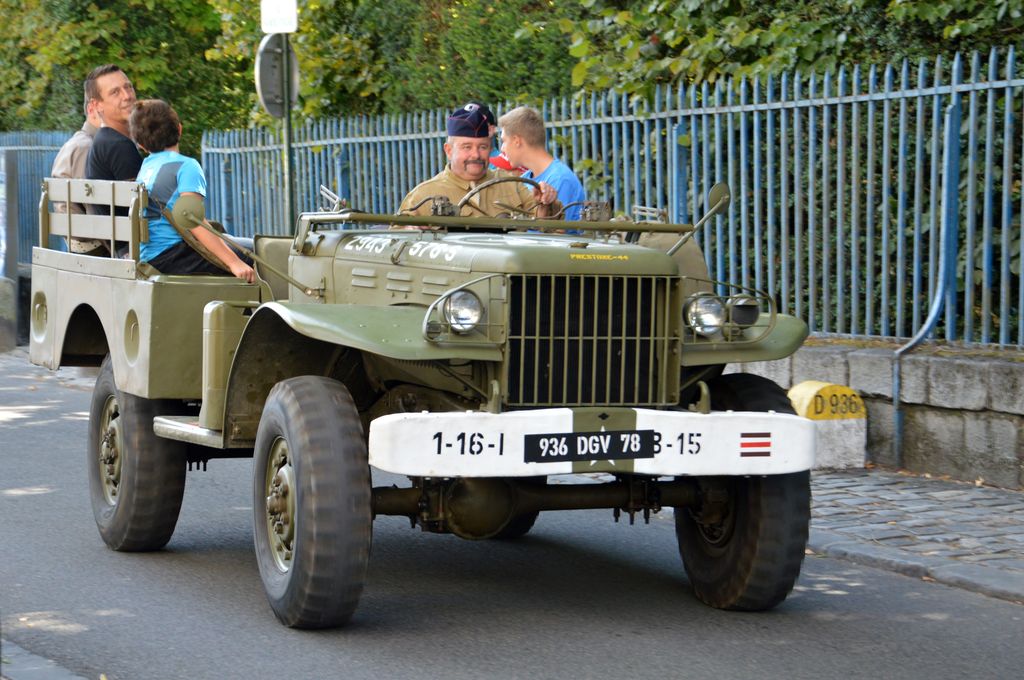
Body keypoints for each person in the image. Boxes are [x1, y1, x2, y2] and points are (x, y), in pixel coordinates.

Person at [129, 99, 255, 282]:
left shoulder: (146, 168)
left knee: (238, 243)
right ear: (179, 129)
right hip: (174, 257)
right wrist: (234, 263)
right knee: (259, 253)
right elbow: (193, 222)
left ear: (141, 144)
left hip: (149, 256)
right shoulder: (187, 166)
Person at [399, 103, 561, 219]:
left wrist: (546, 202)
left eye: (483, 147)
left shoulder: (511, 184)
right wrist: (412, 232)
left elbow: (548, 228)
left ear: (490, 148)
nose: (476, 154)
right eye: (467, 147)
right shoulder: (423, 196)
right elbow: (397, 242)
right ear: (449, 150)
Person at [498, 106, 586, 220]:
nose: (502, 148)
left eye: (504, 141)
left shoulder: (560, 179)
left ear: (516, 141)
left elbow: (555, 229)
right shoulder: (524, 179)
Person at [50, 86, 107, 255]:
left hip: (79, 243)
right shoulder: (88, 147)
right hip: (94, 247)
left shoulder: (77, 142)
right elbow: (92, 206)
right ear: (91, 110)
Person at [85, 64, 142, 216]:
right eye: (115, 92)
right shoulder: (119, 146)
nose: (127, 96)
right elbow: (145, 210)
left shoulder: (102, 140)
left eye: (128, 87)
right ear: (97, 105)